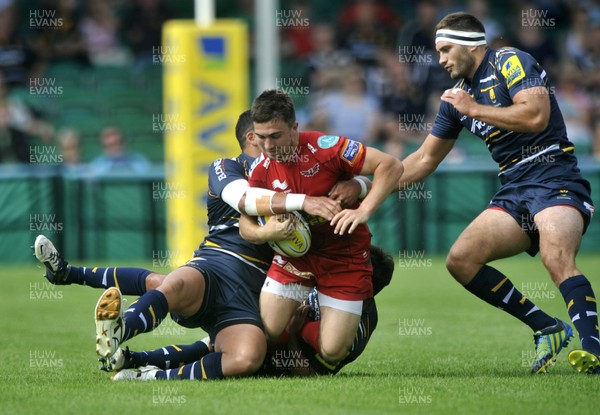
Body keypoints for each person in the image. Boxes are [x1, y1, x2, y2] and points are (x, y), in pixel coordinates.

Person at [34, 110, 357, 381]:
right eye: (270, 138)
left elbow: (363, 178)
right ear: (252, 139)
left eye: (281, 137)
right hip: (217, 264)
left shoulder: (294, 173)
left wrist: (356, 183)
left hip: (259, 291)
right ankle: (118, 329)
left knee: (247, 357)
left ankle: (145, 372)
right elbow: (245, 199)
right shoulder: (226, 168)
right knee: (175, 283)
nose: (281, 145)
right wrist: (297, 204)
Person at [372, 12, 598, 374]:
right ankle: (547, 327)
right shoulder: (456, 98)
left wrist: (473, 108)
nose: (441, 59)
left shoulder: (510, 60)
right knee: (461, 260)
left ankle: (594, 353)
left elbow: (536, 115)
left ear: (468, 45)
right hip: (515, 188)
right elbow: (424, 159)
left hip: (554, 175)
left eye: (445, 49)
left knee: (555, 256)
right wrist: (369, 190)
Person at [240, 89, 403, 370]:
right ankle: (271, 356)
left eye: (275, 136)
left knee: (332, 350)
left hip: (344, 258)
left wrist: (364, 208)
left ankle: (327, 324)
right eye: (261, 137)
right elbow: (246, 221)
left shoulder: (327, 149)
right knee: (266, 330)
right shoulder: (260, 170)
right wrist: (267, 234)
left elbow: (391, 165)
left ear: (294, 128)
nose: (267, 145)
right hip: (294, 261)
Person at [87, 245, 394, 379]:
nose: (343, 268)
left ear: (365, 286)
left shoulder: (355, 327)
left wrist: (292, 338)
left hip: (276, 356)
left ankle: (143, 371)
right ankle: (125, 352)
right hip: (254, 315)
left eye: (351, 269)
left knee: (215, 349)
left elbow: (311, 372)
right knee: (168, 283)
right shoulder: (334, 281)